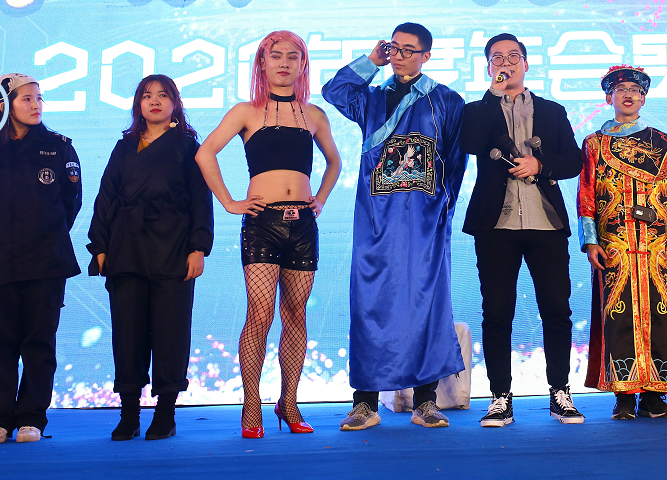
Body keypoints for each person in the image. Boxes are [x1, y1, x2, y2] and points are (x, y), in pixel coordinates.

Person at [322, 22, 468, 430]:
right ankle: (365, 403)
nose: (399, 56)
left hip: (424, 220)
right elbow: (333, 91)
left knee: (426, 301)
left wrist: (443, 210)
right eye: (394, 49)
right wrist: (371, 61)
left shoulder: (446, 100)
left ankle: (426, 402)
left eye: (408, 50)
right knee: (370, 302)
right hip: (375, 218)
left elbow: (456, 161)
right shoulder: (371, 99)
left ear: (426, 56)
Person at [196, 31, 341, 437]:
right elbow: (205, 152)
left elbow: (334, 161)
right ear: (261, 62)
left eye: (293, 56)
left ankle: (289, 401)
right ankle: (251, 404)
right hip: (262, 223)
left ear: (303, 64)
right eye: (276, 56)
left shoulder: (313, 115)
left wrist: (320, 198)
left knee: (296, 314)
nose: (284, 63)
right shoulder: (247, 111)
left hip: (303, 225)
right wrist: (229, 201)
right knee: (259, 314)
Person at [459, 33, 585, 427]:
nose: (506, 63)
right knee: (497, 311)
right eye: (497, 58)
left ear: (526, 64)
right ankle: (500, 397)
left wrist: (540, 166)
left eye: (513, 56)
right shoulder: (477, 109)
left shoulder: (551, 110)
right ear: (488, 67)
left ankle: (560, 393)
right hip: (496, 225)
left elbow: (574, 160)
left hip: (546, 223)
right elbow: (470, 143)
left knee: (556, 310)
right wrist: (492, 94)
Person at [87, 75, 214, 440]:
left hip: (174, 247)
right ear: (138, 104)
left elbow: (200, 199)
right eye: (147, 95)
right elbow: (106, 197)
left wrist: (198, 248)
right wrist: (100, 246)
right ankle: (129, 414)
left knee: (171, 332)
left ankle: (165, 414)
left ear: (175, 103)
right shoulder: (124, 146)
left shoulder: (189, 146)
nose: (154, 101)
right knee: (127, 333)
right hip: (126, 247)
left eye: (162, 95)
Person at [0, 74, 81, 444]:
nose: (36, 105)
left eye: (39, 98)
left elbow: (70, 204)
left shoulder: (58, 147)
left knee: (38, 342)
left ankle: (32, 418)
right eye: (27, 99)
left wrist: (41, 234)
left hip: (46, 261)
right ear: (5, 106)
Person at [578, 65, 667, 420]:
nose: (628, 95)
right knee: (618, 315)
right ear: (608, 97)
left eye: (635, 90)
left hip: (654, 244)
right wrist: (590, 241)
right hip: (615, 243)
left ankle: (656, 394)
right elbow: (586, 196)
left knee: (660, 314)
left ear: (643, 98)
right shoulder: (595, 144)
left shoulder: (662, 144)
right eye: (620, 89)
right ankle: (624, 395)